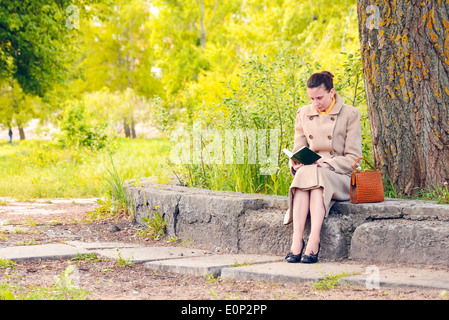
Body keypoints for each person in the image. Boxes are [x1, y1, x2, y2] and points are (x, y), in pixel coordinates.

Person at [284, 71, 362, 263]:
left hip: (339, 175)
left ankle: (313, 239)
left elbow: (354, 159)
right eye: (311, 98)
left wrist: (326, 163)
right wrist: (294, 161)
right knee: (308, 173)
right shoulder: (303, 113)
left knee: (314, 174)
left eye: (319, 97)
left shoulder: (350, 113)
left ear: (332, 92)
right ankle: (298, 241)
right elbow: (298, 148)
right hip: (311, 173)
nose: (315, 103)